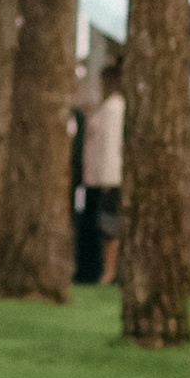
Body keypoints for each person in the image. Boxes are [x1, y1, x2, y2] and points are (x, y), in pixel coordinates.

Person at [83, 61, 126, 284]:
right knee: (105, 224)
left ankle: (110, 271)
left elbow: (111, 144)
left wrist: (108, 177)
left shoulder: (114, 108)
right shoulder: (107, 106)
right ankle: (107, 269)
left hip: (110, 176)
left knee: (110, 226)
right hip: (101, 174)